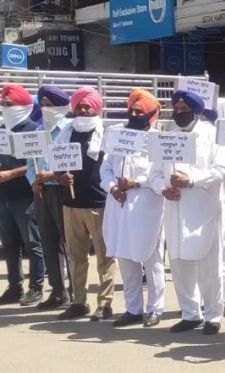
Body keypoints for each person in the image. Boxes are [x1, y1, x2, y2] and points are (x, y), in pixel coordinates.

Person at [150, 90, 225, 335]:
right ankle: (190, 313)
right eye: (176, 108)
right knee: (178, 263)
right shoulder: (168, 135)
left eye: (184, 109)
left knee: (209, 266)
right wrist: (163, 188)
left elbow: (222, 171)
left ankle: (213, 316)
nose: (179, 112)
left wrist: (192, 179)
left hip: (204, 209)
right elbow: (154, 172)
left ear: (196, 110)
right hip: (175, 208)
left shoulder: (213, 134)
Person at [101, 89, 166, 328]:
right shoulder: (117, 134)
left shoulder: (158, 139)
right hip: (118, 204)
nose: (135, 114)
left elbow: (162, 174)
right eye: (132, 110)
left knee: (152, 259)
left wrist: (135, 183)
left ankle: (155, 309)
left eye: (140, 111)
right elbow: (105, 168)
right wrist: (112, 187)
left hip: (147, 205)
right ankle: (133, 309)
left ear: (151, 115)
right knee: (126, 259)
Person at [56, 87, 116, 321]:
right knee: (76, 256)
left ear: (96, 107)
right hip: (71, 203)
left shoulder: (107, 134)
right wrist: (61, 176)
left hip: (99, 203)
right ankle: (79, 301)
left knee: (105, 256)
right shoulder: (66, 133)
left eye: (86, 105)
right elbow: (57, 164)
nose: (82, 109)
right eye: (79, 105)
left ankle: (106, 303)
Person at [28, 86, 72, 309]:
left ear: (61, 106)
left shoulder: (69, 129)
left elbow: (72, 163)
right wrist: (33, 183)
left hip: (62, 191)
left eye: (50, 105)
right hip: (41, 193)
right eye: (43, 105)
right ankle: (57, 291)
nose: (45, 109)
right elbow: (30, 163)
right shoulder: (37, 132)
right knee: (48, 242)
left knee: (68, 243)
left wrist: (52, 175)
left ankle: (75, 291)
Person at [0, 85, 45, 307]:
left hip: (26, 196)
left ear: (22, 105)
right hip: (4, 196)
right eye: (4, 104)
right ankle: (14, 286)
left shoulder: (33, 130)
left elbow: (33, 165)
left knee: (32, 244)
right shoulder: (2, 129)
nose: (5, 107)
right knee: (9, 243)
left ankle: (36, 287)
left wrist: (10, 173)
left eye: (10, 104)